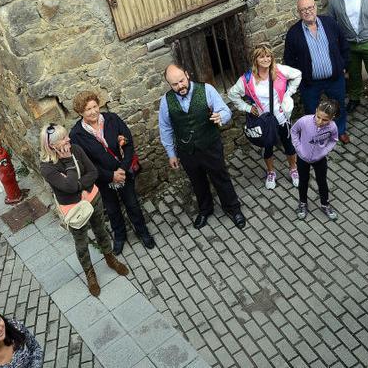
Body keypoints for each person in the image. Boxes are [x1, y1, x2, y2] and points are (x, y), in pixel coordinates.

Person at [39, 123, 130, 297]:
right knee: (81, 244)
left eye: (67, 135)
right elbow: (68, 185)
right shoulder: (47, 168)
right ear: (52, 145)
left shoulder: (76, 148)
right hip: (74, 209)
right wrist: (68, 163)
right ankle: (90, 273)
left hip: (93, 198)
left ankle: (110, 258)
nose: (68, 139)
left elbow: (93, 172)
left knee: (101, 231)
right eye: (64, 138)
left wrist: (77, 185)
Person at [158, 64, 246, 230]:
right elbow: (165, 129)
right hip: (187, 151)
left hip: (210, 145)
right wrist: (171, 154)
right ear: (169, 84)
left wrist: (221, 116)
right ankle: (205, 209)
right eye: (174, 84)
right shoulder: (165, 101)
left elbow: (225, 111)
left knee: (221, 177)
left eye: (181, 81)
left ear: (187, 74)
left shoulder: (207, 90)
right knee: (197, 182)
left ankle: (233, 208)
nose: (180, 86)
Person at [69, 91, 155, 255]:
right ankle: (120, 236)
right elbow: (86, 164)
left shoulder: (112, 119)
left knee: (132, 204)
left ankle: (142, 231)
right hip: (102, 180)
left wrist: (122, 168)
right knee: (112, 209)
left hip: (123, 173)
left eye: (95, 106)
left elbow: (128, 143)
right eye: (88, 109)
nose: (93, 111)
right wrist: (110, 176)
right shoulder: (76, 135)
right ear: (80, 112)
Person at [228, 44, 302, 188]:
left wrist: (289, 92)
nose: (266, 59)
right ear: (255, 59)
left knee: (289, 145)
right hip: (264, 121)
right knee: (268, 147)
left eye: (268, 56)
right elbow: (232, 94)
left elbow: (298, 74)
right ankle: (271, 172)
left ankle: (293, 169)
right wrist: (247, 107)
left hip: (282, 118)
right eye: (262, 56)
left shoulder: (279, 70)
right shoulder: (247, 80)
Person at [284, 0, 351, 143]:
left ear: (315, 7)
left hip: (334, 78)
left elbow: (344, 45)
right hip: (310, 83)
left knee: (338, 105)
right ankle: (318, 134)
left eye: (310, 7)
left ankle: (340, 131)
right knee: (312, 110)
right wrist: (299, 78)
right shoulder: (293, 34)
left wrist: (344, 66)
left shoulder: (330, 23)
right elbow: (289, 60)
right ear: (298, 13)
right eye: (303, 10)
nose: (307, 11)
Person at [290, 99, 340, 220]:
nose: (320, 121)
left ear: (332, 118)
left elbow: (334, 140)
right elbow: (294, 131)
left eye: (325, 120)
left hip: (320, 159)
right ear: (316, 111)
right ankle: (303, 203)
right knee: (303, 181)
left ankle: (325, 204)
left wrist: (325, 151)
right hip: (303, 158)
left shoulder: (332, 127)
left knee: (322, 182)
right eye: (318, 117)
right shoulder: (304, 121)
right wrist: (298, 147)